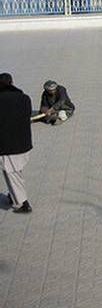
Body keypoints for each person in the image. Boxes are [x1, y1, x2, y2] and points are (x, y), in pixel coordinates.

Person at [0, 73, 33, 213]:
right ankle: (15, 195)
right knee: (15, 172)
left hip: (6, 145)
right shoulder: (24, 98)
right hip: (23, 143)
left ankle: (23, 203)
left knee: (11, 172)